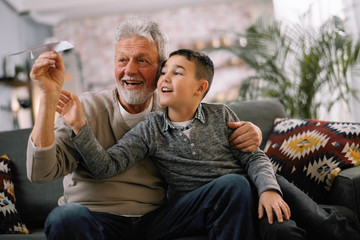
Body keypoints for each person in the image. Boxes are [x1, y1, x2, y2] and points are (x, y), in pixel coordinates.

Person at [59, 48, 360, 240]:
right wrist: (78, 125)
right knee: (237, 186)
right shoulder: (151, 128)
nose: (164, 77)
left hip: (254, 189)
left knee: (292, 227)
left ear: (200, 88)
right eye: (163, 72)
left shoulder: (221, 116)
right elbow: (106, 165)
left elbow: (254, 159)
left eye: (176, 73)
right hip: (209, 202)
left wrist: (268, 190)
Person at [27, 17, 263, 240]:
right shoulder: (83, 109)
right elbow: (40, 173)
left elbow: (210, 123)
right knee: (64, 218)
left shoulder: (173, 110)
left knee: (233, 185)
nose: (129, 70)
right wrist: (49, 96)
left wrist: (252, 132)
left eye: (142, 60)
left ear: (161, 68)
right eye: (122, 60)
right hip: (94, 217)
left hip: (158, 221)